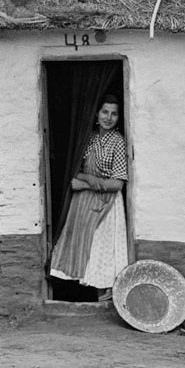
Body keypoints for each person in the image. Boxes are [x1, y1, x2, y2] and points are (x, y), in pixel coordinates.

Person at [50, 94, 129, 298]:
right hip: (83, 203)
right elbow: (74, 170)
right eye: (105, 112)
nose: (108, 118)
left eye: (114, 114)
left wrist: (90, 184)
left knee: (101, 247)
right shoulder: (89, 138)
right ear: (96, 113)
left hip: (107, 203)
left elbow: (117, 183)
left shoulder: (117, 142)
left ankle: (106, 293)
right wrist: (86, 177)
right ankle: (87, 293)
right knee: (84, 245)